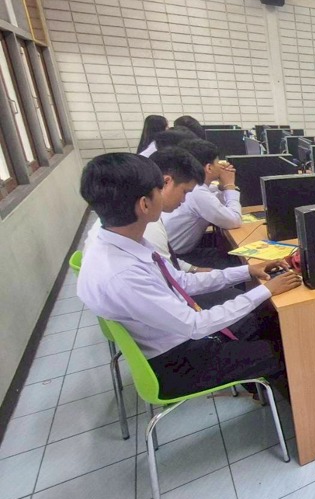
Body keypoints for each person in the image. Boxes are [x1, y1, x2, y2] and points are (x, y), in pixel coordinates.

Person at [77, 153, 302, 399]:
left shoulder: (122, 241)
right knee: (284, 348)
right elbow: (196, 325)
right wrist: (266, 290)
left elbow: (180, 282)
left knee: (267, 318)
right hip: (177, 363)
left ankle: (266, 388)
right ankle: (301, 410)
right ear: (144, 204)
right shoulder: (123, 274)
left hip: (174, 337)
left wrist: (246, 271)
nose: (180, 199)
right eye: (159, 190)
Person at [85, 146, 207, 274]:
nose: (183, 200)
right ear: (165, 182)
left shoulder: (120, 219)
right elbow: (167, 279)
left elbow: (164, 263)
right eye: (185, 192)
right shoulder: (145, 225)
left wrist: (194, 269)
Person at [163, 139, 242, 268]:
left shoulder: (193, 186)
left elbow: (216, 204)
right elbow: (234, 220)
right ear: (209, 168)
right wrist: (229, 186)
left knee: (226, 253)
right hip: (177, 259)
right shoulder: (197, 192)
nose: (221, 166)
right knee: (236, 262)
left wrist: (222, 187)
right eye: (217, 162)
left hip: (178, 251)